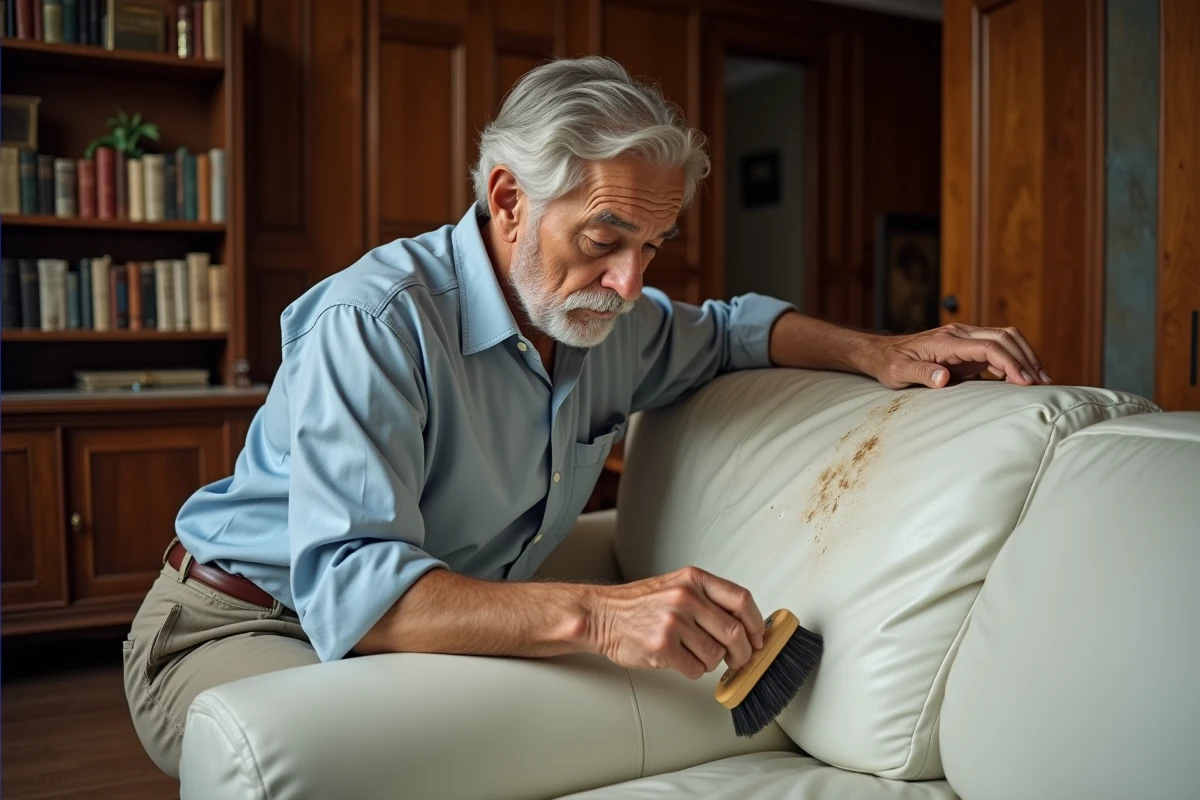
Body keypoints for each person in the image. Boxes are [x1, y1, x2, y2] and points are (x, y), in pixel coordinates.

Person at [123, 56, 1052, 777]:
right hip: (239, 623)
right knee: (363, 764)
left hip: (415, 617)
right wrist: (603, 619)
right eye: (604, 242)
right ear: (508, 198)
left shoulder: (615, 323)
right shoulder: (371, 322)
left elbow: (734, 333)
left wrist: (879, 351)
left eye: (651, 248)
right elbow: (359, 596)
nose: (630, 284)